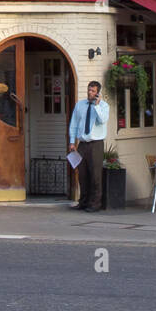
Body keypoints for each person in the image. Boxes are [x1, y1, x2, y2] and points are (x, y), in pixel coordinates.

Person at [68, 80, 110, 212]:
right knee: (82, 174)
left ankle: (95, 203)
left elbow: (102, 120)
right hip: (82, 145)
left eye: (92, 91)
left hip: (96, 144)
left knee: (95, 175)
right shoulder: (80, 105)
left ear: (98, 93)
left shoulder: (104, 106)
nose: (89, 93)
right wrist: (72, 141)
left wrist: (96, 106)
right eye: (88, 90)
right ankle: (83, 201)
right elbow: (74, 123)